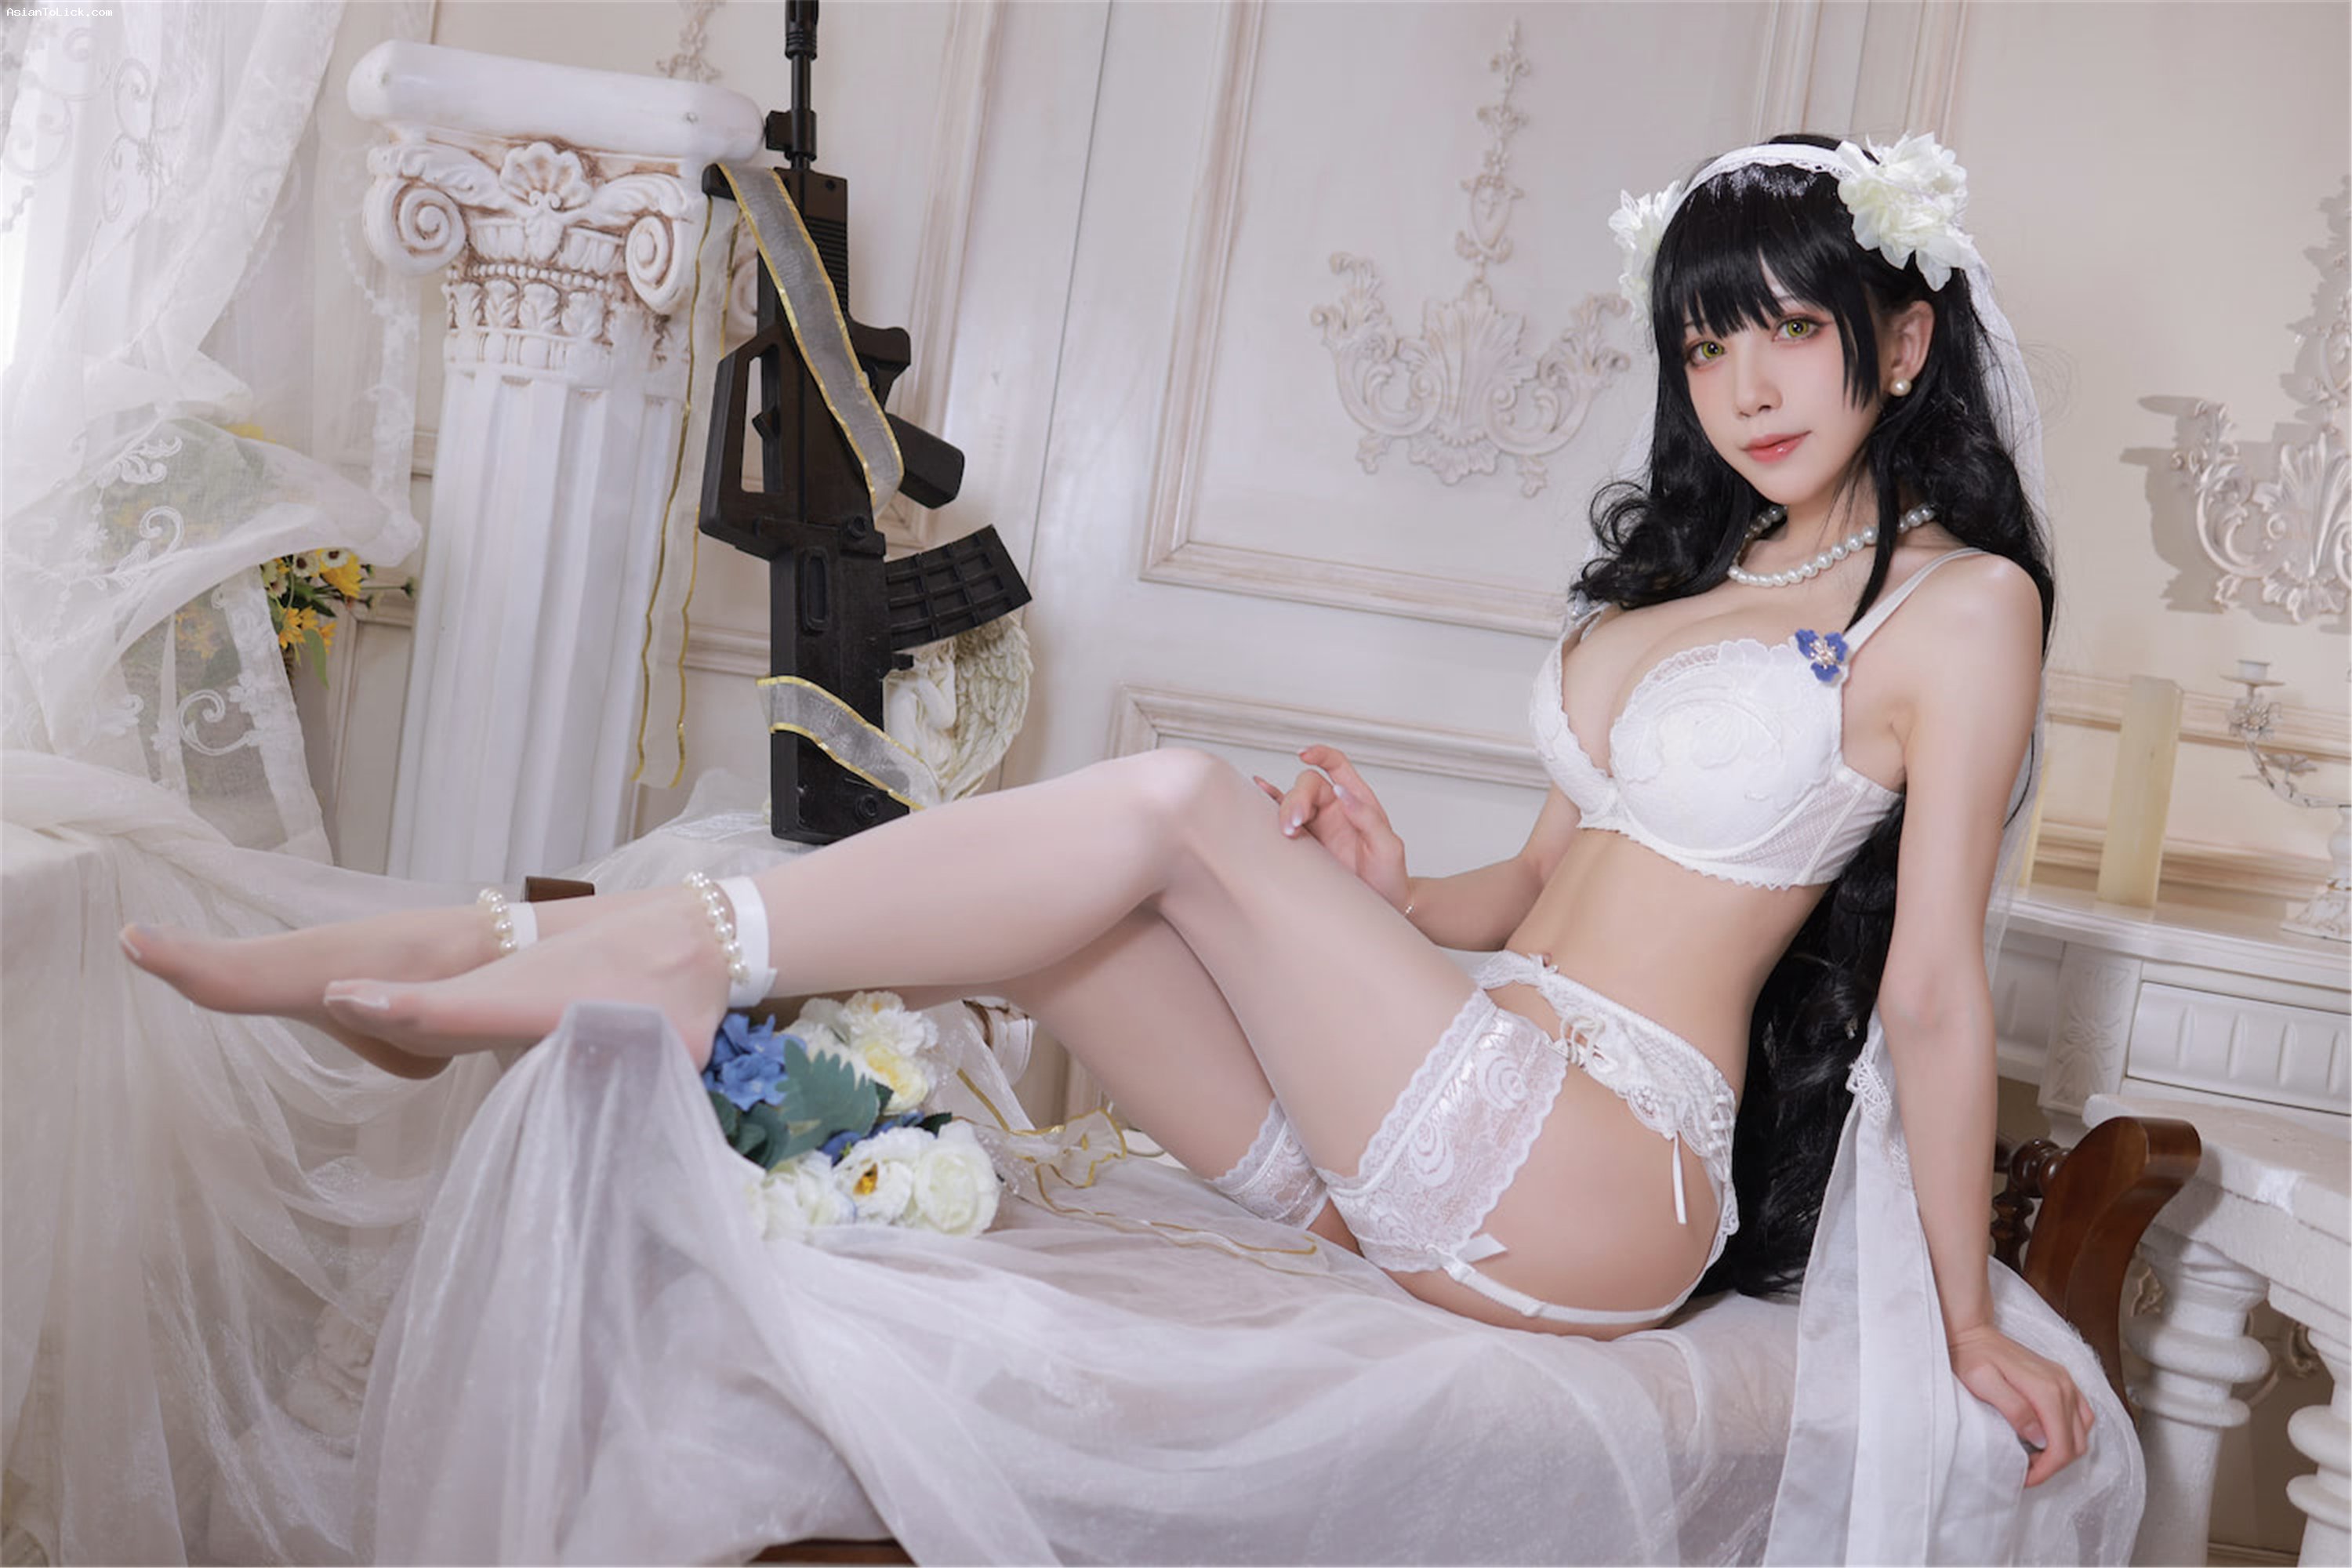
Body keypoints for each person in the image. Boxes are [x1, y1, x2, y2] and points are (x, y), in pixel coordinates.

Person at [122, 129, 2094, 1523]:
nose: (1745, 385)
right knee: (1078, 913)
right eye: (1707, 342)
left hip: (1603, 1176)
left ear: (1901, 340)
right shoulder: (1677, 592)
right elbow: (1538, 887)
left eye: (1791, 331)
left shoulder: (1958, 609)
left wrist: (1956, 1321)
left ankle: (638, 950)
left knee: (1173, 804)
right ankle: (504, 940)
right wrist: (1391, 894)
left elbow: (1930, 996)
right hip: (1441, 1117)